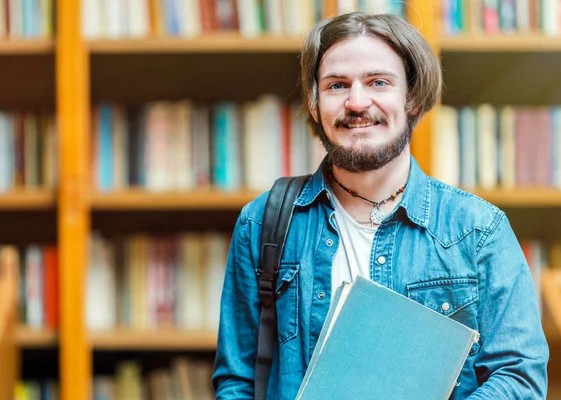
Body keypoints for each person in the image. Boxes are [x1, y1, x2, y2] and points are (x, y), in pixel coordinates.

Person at [212, 11, 549, 399]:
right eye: (337, 85)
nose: (357, 102)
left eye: (378, 82)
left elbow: (519, 378)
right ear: (316, 102)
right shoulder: (261, 224)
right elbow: (236, 382)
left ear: (411, 97)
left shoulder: (477, 230)